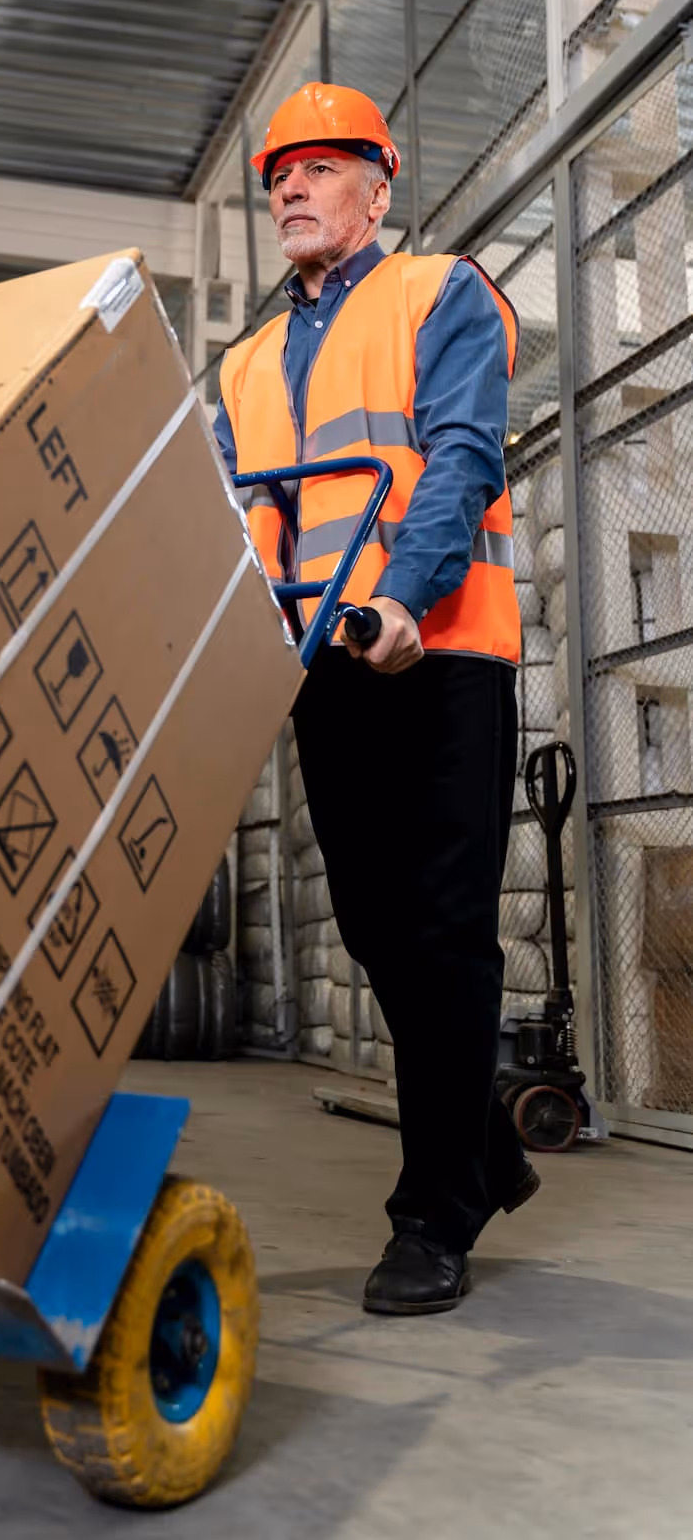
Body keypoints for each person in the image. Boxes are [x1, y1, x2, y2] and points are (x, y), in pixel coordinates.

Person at [215, 82, 539, 1316]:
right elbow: (247, 513)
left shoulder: (440, 293)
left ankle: (434, 1211)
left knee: (445, 925)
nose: (291, 188)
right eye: (278, 175)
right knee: (370, 923)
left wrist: (404, 594)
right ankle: (487, 1144)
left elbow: (461, 454)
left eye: (318, 166)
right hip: (325, 662)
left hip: (440, 649)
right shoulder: (247, 361)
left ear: (377, 185)